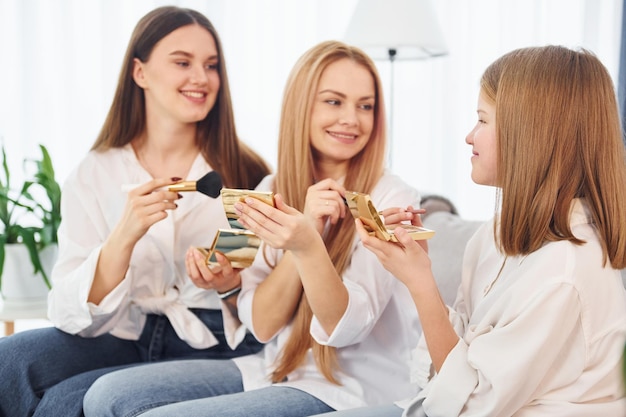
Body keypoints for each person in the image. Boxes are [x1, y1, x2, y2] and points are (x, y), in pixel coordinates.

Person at [81, 40, 424, 417]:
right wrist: (229, 284)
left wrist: (308, 242)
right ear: (301, 107)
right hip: (273, 369)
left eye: (366, 106)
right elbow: (261, 325)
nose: (351, 119)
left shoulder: (391, 197)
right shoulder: (269, 190)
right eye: (333, 101)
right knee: (106, 396)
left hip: (352, 389)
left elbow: (345, 328)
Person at [313, 45, 626, 416]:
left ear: (528, 134)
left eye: (482, 120)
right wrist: (421, 273)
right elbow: (455, 368)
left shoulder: (564, 273)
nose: (469, 136)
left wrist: (420, 285)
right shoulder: (495, 237)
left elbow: (470, 405)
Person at [0, 6, 271, 417]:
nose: (201, 78)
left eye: (211, 65)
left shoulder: (248, 173)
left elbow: (266, 302)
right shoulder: (95, 173)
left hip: (214, 339)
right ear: (140, 73)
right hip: (124, 330)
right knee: (9, 361)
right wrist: (123, 236)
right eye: (183, 62)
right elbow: (69, 313)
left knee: (65, 403)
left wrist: (227, 282)